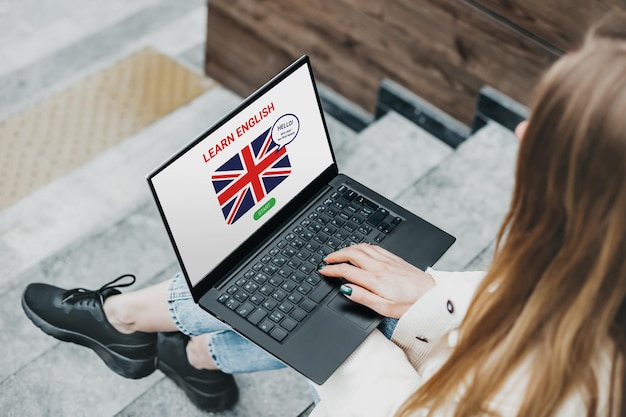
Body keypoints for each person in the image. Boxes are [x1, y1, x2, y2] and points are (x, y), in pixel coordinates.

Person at [22, 12, 626, 416]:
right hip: (450, 342)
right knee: (308, 273)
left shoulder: (566, 392)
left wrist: (329, 337)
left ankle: (125, 321)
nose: (520, 130)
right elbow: (533, 308)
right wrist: (430, 298)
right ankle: (193, 353)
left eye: (545, 132)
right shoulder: (601, 288)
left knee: (295, 281)